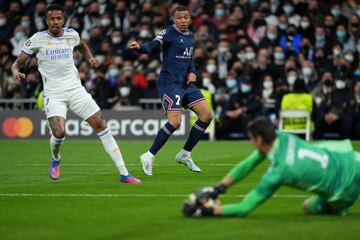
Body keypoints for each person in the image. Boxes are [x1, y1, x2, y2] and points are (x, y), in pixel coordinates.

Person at [11, 4, 141, 184]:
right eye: (52, 19)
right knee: (59, 132)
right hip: (53, 93)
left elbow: (82, 45)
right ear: (46, 21)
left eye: (59, 18)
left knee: (101, 125)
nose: (55, 22)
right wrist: (15, 69)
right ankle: (56, 159)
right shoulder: (37, 39)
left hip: (76, 90)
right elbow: (17, 62)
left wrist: (90, 58)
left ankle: (124, 173)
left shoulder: (71, 34)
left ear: (63, 20)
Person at [183, 116, 360, 217]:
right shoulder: (282, 136)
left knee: (309, 207)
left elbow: (245, 207)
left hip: (344, 190)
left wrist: (209, 211)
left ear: (259, 139)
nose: (251, 143)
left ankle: (339, 208)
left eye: (251, 139)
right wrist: (219, 188)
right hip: (352, 159)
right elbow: (249, 164)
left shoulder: (278, 172)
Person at [129, 5, 212, 176]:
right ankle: (149, 155)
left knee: (206, 116)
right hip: (169, 83)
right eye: (180, 18)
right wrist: (139, 49)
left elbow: (190, 59)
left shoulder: (190, 36)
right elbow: (153, 45)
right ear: (174, 19)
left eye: (186, 18)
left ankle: (185, 154)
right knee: (175, 122)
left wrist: (193, 73)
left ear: (190, 19)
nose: (183, 21)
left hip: (186, 85)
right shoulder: (168, 33)